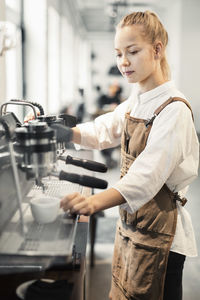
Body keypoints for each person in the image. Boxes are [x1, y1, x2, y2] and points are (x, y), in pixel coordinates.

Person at [60, 10, 199, 300]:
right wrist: (65, 132)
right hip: (133, 226)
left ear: (157, 49)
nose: (123, 62)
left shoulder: (174, 109)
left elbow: (146, 177)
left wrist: (93, 202)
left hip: (162, 239)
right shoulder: (137, 100)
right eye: (118, 53)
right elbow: (104, 130)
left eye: (132, 52)